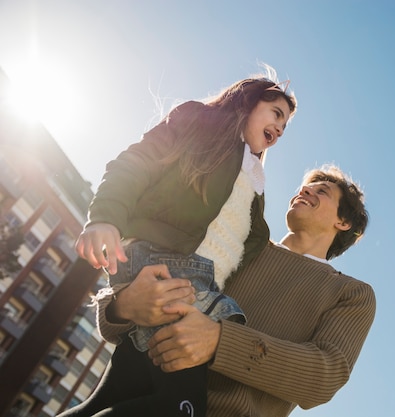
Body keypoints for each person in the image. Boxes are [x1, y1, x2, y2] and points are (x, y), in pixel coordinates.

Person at [60, 68, 297, 417]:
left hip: (196, 281)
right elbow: (135, 162)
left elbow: (251, 243)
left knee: (111, 400)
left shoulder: (254, 185)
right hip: (167, 267)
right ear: (249, 100)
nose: (279, 128)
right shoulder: (199, 121)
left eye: (285, 126)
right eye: (276, 113)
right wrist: (104, 218)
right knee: (180, 409)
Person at [91, 165, 376, 417]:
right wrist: (120, 305)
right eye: (305, 186)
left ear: (344, 222)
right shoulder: (237, 242)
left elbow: (322, 377)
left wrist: (219, 341)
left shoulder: (351, 294)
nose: (305, 190)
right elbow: (150, 279)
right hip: (124, 396)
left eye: (322, 191)